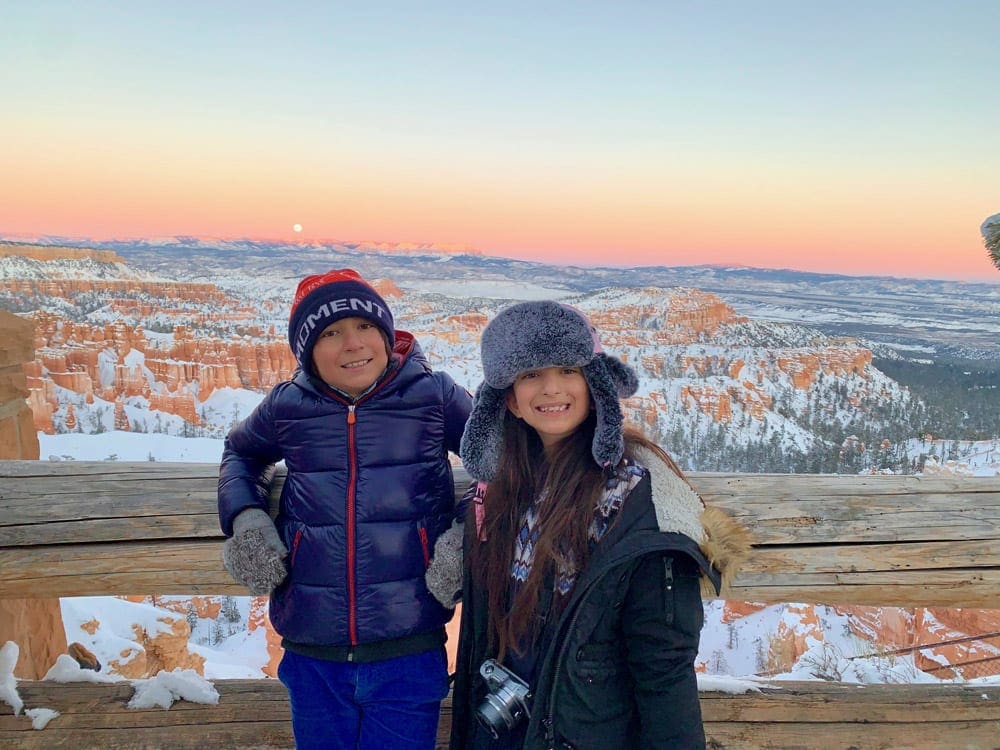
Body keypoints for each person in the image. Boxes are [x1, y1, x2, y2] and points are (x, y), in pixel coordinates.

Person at [426, 300, 750, 750]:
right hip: (504, 724)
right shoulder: (502, 487)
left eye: (566, 370)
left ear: (594, 383)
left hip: (583, 731)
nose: (550, 389)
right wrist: (461, 540)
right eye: (529, 375)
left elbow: (663, 670)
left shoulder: (636, 503)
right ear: (511, 402)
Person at [218, 268, 473, 750]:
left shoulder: (433, 395)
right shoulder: (287, 405)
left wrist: (464, 534)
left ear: (385, 333)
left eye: (364, 327)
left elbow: (505, 463)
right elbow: (241, 453)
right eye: (331, 333)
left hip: (409, 645)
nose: (352, 344)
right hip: (311, 650)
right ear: (307, 350)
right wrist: (247, 518)